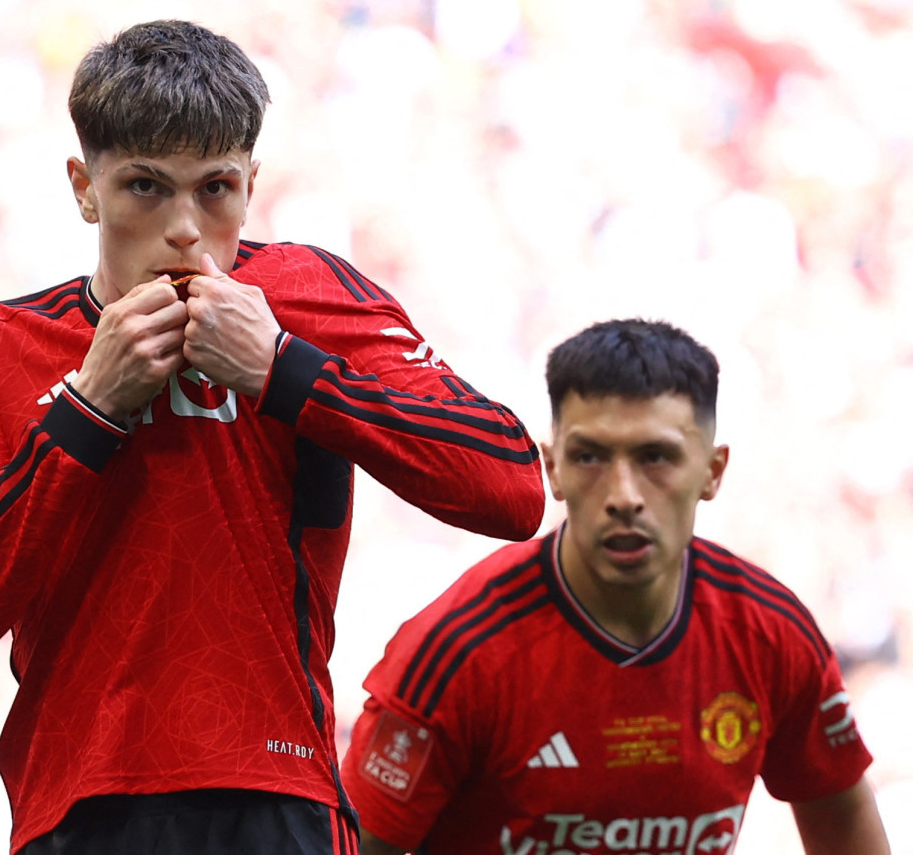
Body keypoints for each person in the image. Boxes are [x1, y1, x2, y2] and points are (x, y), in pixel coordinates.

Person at [0, 19, 546, 855]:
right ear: (82, 186)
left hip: (281, 793)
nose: (185, 227)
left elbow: (511, 484)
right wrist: (91, 405)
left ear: (252, 182)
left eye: (215, 188)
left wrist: (284, 368)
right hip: (77, 807)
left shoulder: (306, 295)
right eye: (145, 186)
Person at [341, 318, 890, 855]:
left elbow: (844, 819)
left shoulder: (770, 633)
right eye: (590, 457)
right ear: (552, 468)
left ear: (713, 471)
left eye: (656, 457)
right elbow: (354, 844)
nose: (623, 494)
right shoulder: (456, 653)